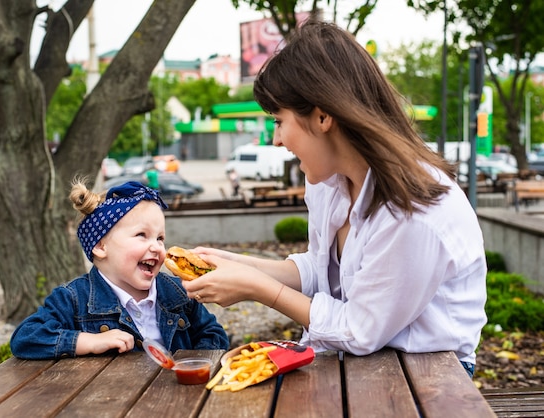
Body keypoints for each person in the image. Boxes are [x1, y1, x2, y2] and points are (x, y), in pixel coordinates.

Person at [181, 19, 487, 378]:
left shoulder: (414, 210)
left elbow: (360, 330)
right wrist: (236, 264)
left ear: (323, 116)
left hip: (428, 376)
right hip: (357, 365)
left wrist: (257, 288)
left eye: (279, 121)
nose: (276, 140)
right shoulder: (328, 181)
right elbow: (321, 270)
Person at [10, 181, 229, 359]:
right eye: (142, 235)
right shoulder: (74, 298)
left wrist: (196, 361)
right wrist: (87, 341)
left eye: (160, 237)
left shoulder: (177, 292)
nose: (157, 246)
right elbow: (25, 338)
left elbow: (213, 332)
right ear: (100, 246)